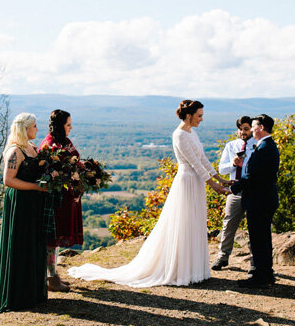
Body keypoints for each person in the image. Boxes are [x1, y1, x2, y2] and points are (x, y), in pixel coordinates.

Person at [69, 100, 229, 288]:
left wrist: (220, 179)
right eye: (199, 116)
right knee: (185, 222)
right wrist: (214, 185)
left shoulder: (192, 133)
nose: (202, 119)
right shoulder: (179, 135)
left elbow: (203, 159)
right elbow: (194, 163)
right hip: (187, 182)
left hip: (197, 182)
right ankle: (183, 270)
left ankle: (195, 269)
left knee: (195, 222)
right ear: (189, 116)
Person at [0, 113, 49, 312]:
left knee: (34, 242)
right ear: (25, 129)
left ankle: (34, 292)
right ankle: (19, 295)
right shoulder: (15, 152)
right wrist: (35, 187)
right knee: (21, 243)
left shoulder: (32, 148)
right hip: (20, 203)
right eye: (34, 126)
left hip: (35, 202)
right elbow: (8, 181)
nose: (37, 129)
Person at [230, 114, 279, 289]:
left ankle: (260, 276)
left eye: (253, 126)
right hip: (264, 199)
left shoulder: (264, 148)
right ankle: (266, 273)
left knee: (258, 239)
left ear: (261, 128)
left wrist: (231, 189)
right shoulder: (267, 146)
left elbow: (253, 177)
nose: (250, 129)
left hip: (260, 200)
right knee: (263, 238)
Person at [39, 109, 83, 293]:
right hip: (55, 200)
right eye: (68, 125)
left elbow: (75, 162)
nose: (71, 128)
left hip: (67, 198)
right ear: (60, 126)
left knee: (56, 240)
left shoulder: (64, 142)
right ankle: (50, 277)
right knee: (52, 238)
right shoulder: (49, 145)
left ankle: (53, 274)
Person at [211, 115, 254, 270]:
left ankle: (254, 260)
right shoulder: (231, 146)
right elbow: (222, 169)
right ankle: (222, 257)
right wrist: (233, 163)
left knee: (254, 226)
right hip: (235, 190)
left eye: (246, 129)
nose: (243, 132)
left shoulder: (257, 145)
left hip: (252, 191)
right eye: (240, 129)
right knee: (228, 224)